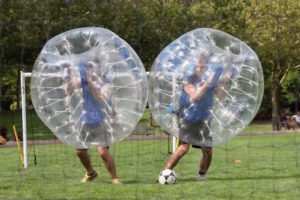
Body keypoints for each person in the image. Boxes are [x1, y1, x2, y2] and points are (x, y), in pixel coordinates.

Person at [163, 52, 229, 181]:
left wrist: (226, 81)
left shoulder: (211, 79)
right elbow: (195, 96)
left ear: (206, 64)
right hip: (187, 119)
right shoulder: (188, 79)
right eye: (198, 63)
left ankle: (201, 174)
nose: (200, 66)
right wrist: (207, 83)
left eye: (203, 63)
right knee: (183, 149)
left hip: (205, 119)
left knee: (208, 151)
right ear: (194, 64)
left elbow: (221, 94)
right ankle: (166, 172)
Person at [65, 61, 120, 184]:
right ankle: (91, 172)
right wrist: (68, 77)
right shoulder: (84, 82)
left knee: (102, 152)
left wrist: (90, 83)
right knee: (80, 151)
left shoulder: (106, 83)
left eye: (90, 66)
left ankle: (115, 178)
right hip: (86, 120)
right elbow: (68, 90)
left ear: (99, 68)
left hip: (102, 121)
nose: (88, 69)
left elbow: (101, 100)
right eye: (86, 67)